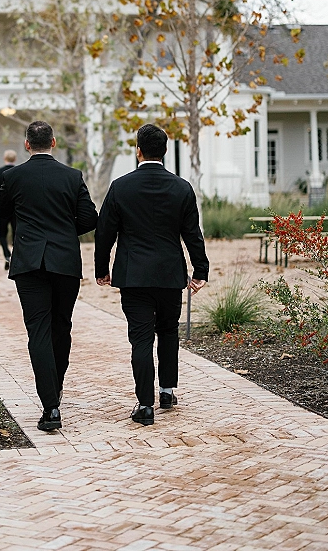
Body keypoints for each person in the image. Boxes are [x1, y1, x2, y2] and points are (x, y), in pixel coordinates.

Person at [94, 123, 209, 427]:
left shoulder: (121, 186)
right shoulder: (181, 187)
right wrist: (200, 270)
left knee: (141, 339)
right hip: (170, 273)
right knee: (168, 332)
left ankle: (145, 405)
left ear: (138, 151)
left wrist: (101, 269)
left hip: (134, 276)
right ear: (166, 151)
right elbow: (192, 234)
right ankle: (167, 392)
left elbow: (104, 232)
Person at [0, 121, 97, 432]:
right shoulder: (72, 176)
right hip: (64, 261)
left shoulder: (12, 176)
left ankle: (50, 406)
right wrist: (65, 233)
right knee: (62, 326)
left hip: (29, 262)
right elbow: (90, 218)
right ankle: (57, 384)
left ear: (27, 144)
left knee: (38, 330)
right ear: (53, 142)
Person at [0, 150, 17, 270]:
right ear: (14, 159)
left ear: (4, 157)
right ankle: (15, 257)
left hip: (3, 208)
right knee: (16, 234)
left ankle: (7, 254)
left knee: (2, 234)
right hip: (17, 208)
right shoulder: (19, 171)